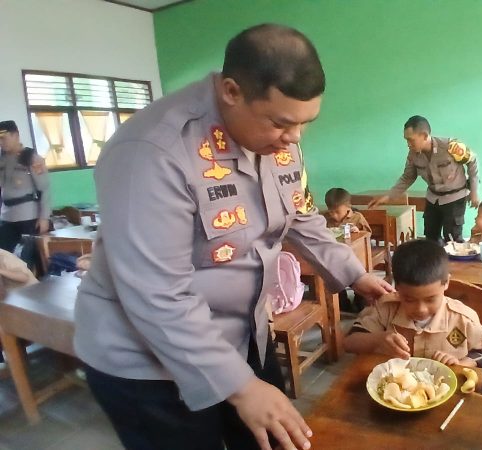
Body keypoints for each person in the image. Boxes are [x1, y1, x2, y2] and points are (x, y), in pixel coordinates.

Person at [73, 24, 393, 450]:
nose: (295, 138)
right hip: (149, 364)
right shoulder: (153, 151)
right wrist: (240, 387)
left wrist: (354, 274)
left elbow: (297, 214)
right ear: (231, 91)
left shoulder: (276, 137)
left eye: (306, 123)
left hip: (241, 334)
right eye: (283, 123)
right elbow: (156, 293)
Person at [344, 239, 482, 367]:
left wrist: (460, 363)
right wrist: (378, 340)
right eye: (409, 299)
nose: (421, 309)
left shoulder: (463, 319)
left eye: (430, 299)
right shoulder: (385, 309)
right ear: (397, 288)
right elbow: (349, 343)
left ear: (446, 282)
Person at [368, 115, 479, 244]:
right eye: (406, 140)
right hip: (433, 198)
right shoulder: (413, 154)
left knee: (452, 238)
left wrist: (474, 191)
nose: (408, 144)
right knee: (430, 237)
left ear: (425, 136)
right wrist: (388, 196)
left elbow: (472, 161)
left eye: (411, 140)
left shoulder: (451, 146)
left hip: (455, 197)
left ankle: (453, 263)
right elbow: (408, 177)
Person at [0, 120, 51, 252]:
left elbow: (45, 189)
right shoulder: (2, 159)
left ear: (16, 135)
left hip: (28, 217)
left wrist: (44, 218)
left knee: (29, 259)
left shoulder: (31, 158)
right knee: (6, 260)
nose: (1, 142)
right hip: (6, 218)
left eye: (3, 138)